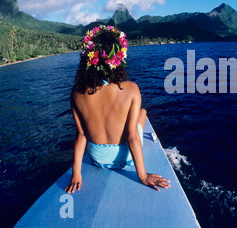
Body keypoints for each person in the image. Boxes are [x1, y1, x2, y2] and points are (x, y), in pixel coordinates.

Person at [65, 25, 171, 194]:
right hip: (126, 160)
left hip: (97, 159)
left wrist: (76, 174)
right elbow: (132, 138)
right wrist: (143, 176)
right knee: (142, 113)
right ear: (118, 59)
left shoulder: (76, 92)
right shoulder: (131, 89)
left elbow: (81, 134)